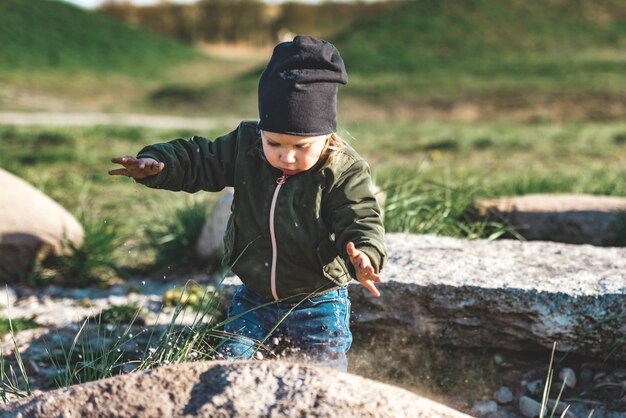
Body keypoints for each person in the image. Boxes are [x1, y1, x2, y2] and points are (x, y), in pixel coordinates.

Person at [109, 35, 387, 372]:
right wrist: (158, 163)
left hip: (318, 302)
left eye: (301, 146)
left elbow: (361, 218)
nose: (286, 156)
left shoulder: (344, 170)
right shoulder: (246, 146)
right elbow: (200, 158)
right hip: (253, 297)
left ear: (327, 135)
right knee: (232, 368)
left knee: (320, 377)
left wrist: (365, 255)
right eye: (274, 142)